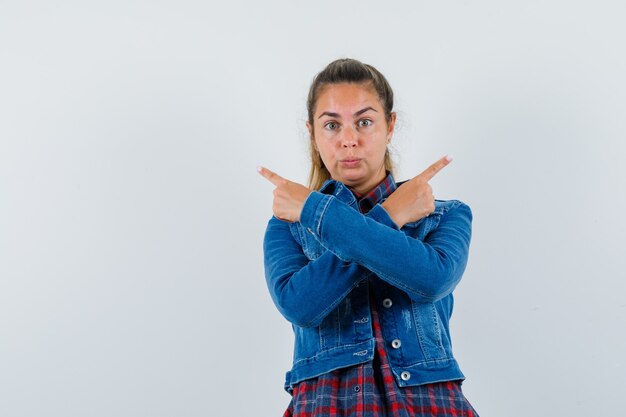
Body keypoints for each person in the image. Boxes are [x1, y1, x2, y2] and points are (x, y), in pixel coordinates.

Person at [258, 58, 479, 417]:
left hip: (430, 406)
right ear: (312, 133)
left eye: (364, 121)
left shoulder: (445, 214)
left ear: (390, 125)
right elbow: (301, 307)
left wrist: (316, 210)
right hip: (326, 405)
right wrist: (391, 216)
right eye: (331, 125)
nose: (349, 140)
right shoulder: (288, 225)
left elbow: (431, 281)